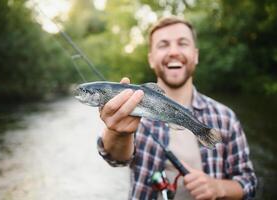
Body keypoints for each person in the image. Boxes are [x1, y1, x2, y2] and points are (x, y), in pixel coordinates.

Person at [97, 16, 257, 200]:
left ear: (196, 55)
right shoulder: (129, 104)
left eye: (182, 43)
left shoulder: (226, 118)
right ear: (150, 59)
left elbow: (249, 183)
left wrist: (219, 187)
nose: (173, 51)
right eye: (163, 45)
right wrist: (118, 132)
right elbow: (115, 158)